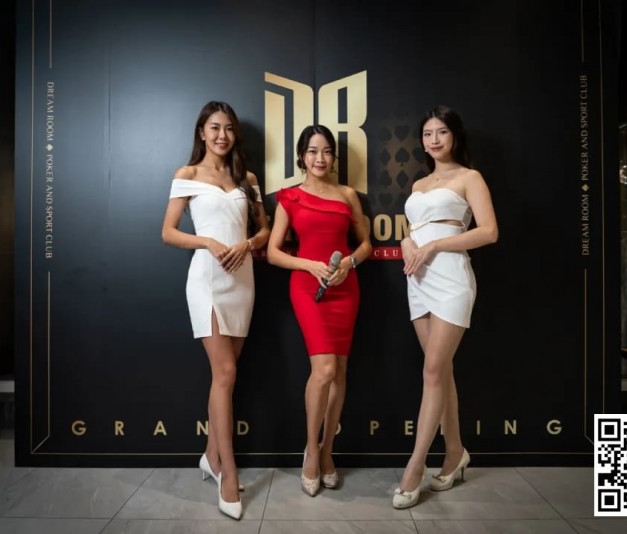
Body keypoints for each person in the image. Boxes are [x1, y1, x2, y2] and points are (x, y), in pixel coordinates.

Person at [162, 101, 270, 520]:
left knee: (224, 376)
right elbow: (168, 232)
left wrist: (249, 243)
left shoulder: (248, 179)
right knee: (225, 373)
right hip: (206, 279)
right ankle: (229, 473)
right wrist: (206, 241)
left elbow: (264, 230)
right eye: (214, 127)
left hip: (242, 281)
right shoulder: (187, 175)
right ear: (201, 132)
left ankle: (210, 456)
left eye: (228, 128)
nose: (221, 135)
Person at [392, 105, 498, 509]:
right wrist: (407, 242)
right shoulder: (419, 184)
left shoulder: (470, 177)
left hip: (452, 278)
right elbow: (414, 229)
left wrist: (435, 245)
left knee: (433, 371)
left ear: (455, 136)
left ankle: (415, 465)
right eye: (427, 134)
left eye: (441, 132)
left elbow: (489, 232)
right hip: (417, 280)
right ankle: (455, 453)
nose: (434, 140)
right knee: (442, 371)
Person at [266, 124, 372, 497]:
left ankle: (328, 451)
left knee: (339, 373)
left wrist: (349, 264)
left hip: (346, 287)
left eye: (326, 151)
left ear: (333, 156)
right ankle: (311, 450)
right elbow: (273, 252)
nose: (320, 158)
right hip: (308, 288)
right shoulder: (290, 197)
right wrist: (309, 265)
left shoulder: (347, 195)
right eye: (312, 151)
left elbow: (366, 245)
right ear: (301, 156)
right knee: (324, 370)